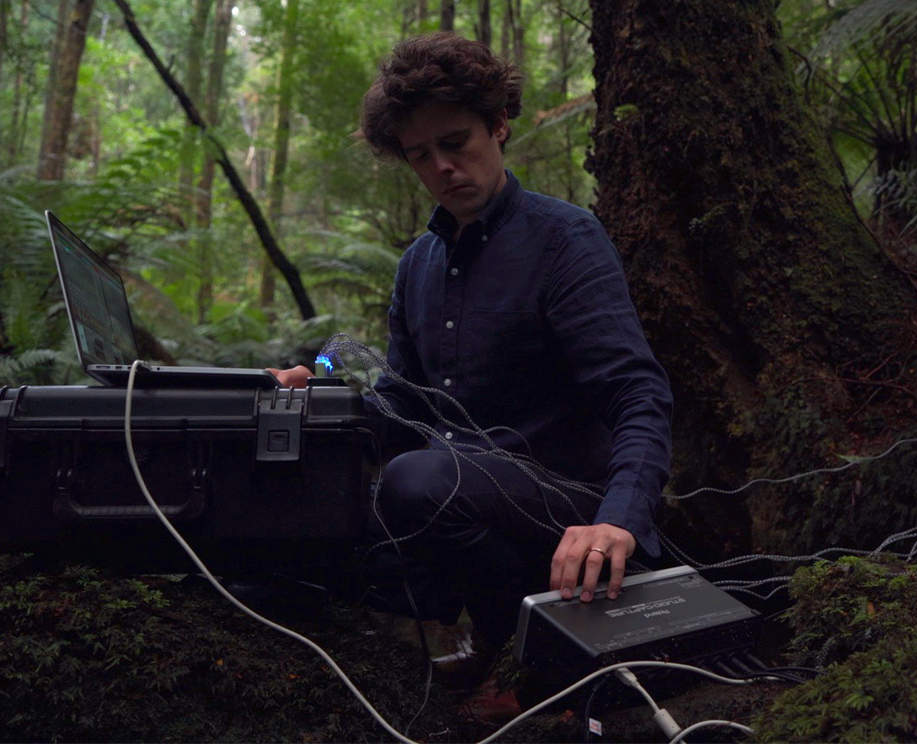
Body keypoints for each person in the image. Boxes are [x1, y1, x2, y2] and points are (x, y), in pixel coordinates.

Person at [270, 33, 673, 671]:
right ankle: (460, 647)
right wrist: (315, 407)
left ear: (498, 125)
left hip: (566, 504)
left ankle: (527, 659)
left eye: (455, 143)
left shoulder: (564, 240)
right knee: (310, 519)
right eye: (421, 155)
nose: (442, 167)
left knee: (420, 480)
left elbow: (637, 392)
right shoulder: (418, 265)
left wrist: (619, 518)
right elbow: (404, 405)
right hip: (454, 497)